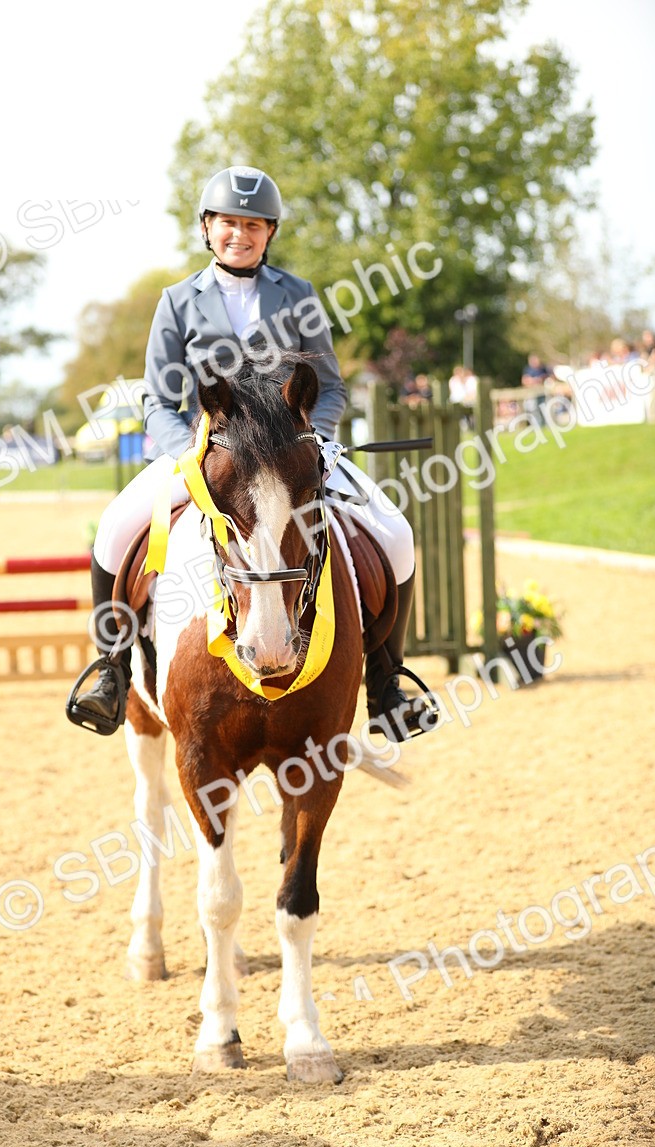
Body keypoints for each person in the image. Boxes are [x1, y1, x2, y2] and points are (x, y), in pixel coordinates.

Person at [69, 165, 429, 740]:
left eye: (253, 225)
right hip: (209, 456)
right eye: (229, 223)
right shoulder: (177, 301)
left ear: (270, 232)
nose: (240, 234)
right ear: (207, 228)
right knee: (114, 528)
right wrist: (186, 452)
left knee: (396, 532)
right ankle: (110, 671)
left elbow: (330, 388)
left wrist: (314, 437)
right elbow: (158, 399)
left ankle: (387, 683)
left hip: (293, 458)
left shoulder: (299, 294)